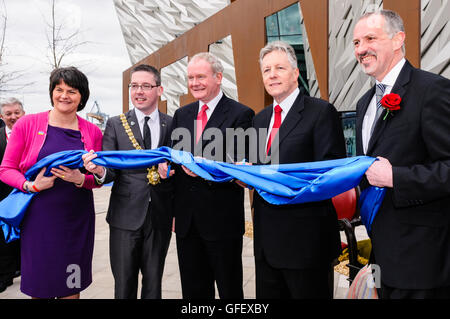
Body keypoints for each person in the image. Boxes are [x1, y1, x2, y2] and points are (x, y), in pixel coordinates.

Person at [353, 10, 450, 299]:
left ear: (398, 40)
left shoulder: (432, 90)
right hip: (381, 254)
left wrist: (396, 176)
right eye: (356, 42)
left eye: (370, 38)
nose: (360, 49)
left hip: (423, 259)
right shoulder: (363, 103)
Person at [251, 41, 346, 298]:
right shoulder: (259, 119)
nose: (272, 74)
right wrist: (244, 174)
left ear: (295, 73)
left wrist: (273, 177)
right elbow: (258, 169)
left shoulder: (321, 112)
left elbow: (330, 172)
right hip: (266, 244)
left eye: (279, 68)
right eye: (266, 70)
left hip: (306, 244)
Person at [0, 67, 103, 299]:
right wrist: (31, 186)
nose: (64, 96)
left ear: (82, 96)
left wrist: (82, 179)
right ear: (52, 92)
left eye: (72, 91)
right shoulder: (27, 124)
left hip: (77, 220)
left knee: (71, 287)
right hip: (39, 220)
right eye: (59, 89)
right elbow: (6, 169)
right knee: (40, 287)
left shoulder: (93, 132)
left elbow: (98, 178)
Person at [159, 52, 254, 299]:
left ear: (219, 77)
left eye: (201, 76)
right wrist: (168, 170)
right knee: (193, 292)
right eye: (190, 77)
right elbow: (174, 162)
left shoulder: (242, 114)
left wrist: (205, 167)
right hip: (187, 223)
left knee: (229, 290)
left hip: (222, 222)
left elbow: (245, 169)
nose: (194, 83)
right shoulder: (182, 114)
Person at [82, 64, 173, 299]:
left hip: (159, 216)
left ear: (159, 90)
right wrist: (99, 170)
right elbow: (110, 171)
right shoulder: (115, 123)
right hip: (124, 216)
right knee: (124, 285)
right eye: (134, 86)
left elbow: (180, 166)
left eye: (146, 86)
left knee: (154, 284)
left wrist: (170, 173)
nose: (139, 91)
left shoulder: (172, 124)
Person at [0, 97, 25, 293]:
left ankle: (23, 268)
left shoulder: (32, 134)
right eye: (9, 114)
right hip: (3, 197)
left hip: (27, 195)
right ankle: (4, 276)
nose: (13, 117)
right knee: (3, 239)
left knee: (26, 236)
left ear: (23, 113)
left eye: (17, 112)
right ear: (2, 117)